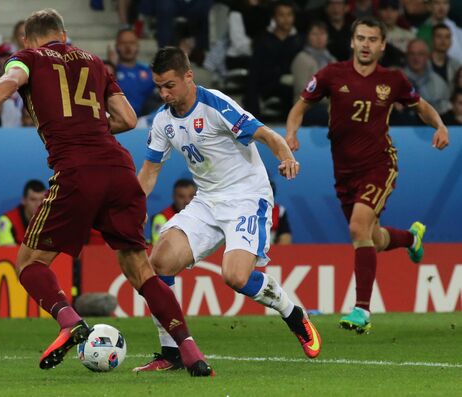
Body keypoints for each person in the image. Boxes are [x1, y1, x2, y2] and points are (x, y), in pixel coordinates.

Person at [0, 9, 213, 376]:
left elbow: (9, 82)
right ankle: (191, 352)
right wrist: (92, 126)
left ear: (27, 40)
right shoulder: (95, 61)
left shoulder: (29, 59)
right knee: (139, 267)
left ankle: (68, 320)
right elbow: (129, 119)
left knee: (30, 263)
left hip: (77, 170)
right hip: (119, 167)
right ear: (64, 34)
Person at [135, 47, 321, 372]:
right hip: (207, 200)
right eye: (159, 87)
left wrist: (286, 158)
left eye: (169, 85)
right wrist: (131, 207)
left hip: (246, 197)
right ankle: (172, 353)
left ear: (188, 76)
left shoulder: (215, 105)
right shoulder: (163, 121)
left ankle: (293, 313)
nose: (163, 94)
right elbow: (150, 170)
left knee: (235, 277)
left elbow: (265, 134)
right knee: (158, 263)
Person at [286, 16, 449, 333]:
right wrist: (291, 135)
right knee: (371, 237)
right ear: (352, 42)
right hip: (344, 172)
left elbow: (422, 106)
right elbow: (300, 106)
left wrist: (441, 125)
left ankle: (362, 310)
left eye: (372, 39)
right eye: (361, 38)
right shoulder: (333, 74)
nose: (365, 44)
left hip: (379, 164)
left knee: (357, 227)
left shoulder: (394, 80)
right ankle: (411, 238)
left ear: (383, 45)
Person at [114, 28, 157, 117]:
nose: (128, 47)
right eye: (123, 43)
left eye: (132, 43)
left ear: (138, 45)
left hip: (143, 125)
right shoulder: (109, 71)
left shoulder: (148, 71)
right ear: (117, 46)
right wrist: (113, 67)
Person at [0, 179, 46, 246]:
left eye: (42, 199)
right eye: (33, 199)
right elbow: (7, 252)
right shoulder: (7, 220)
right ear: (23, 200)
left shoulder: (51, 220)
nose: (38, 204)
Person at [151, 178, 196, 245]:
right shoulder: (162, 218)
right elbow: (158, 246)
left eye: (191, 196)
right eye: (181, 196)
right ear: (173, 197)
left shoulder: (204, 217)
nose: (187, 201)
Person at [430, 23, 461, 87]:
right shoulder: (422, 63)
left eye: (447, 37)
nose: (443, 40)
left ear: (451, 41)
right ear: (432, 39)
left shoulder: (456, 66)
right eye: (439, 36)